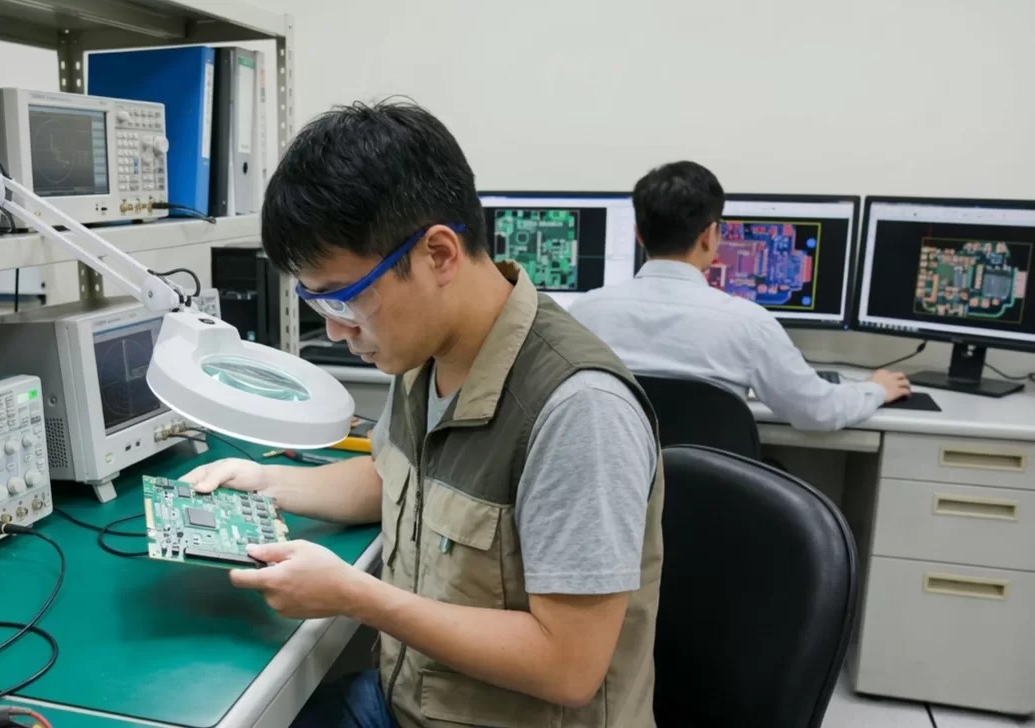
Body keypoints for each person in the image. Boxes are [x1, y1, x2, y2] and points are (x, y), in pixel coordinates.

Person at [181, 100, 664, 728]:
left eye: (345, 298)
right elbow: (393, 477)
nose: (336, 330)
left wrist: (354, 595)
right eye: (319, 303)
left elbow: (567, 666)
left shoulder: (578, 411)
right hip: (408, 702)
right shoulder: (424, 353)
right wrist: (268, 483)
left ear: (438, 254)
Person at [569, 161, 911, 431]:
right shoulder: (749, 324)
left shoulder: (583, 315)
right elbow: (819, 412)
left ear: (639, 235)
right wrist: (875, 388)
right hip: (711, 490)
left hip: (619, 491)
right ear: (710, 235)